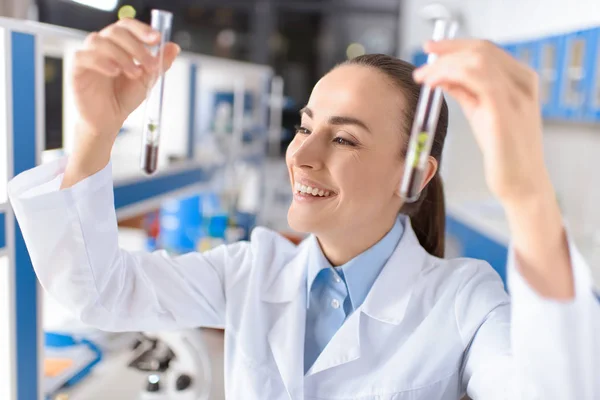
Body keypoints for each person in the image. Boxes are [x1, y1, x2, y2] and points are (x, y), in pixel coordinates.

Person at [8, 18, 599, 400]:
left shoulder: (465, 301)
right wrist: (94, 132)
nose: (302, 156)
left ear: (414, 173)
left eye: (343, 139)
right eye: (304, 127)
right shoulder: (249, 271)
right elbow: (98, 292)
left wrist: (525, 194)